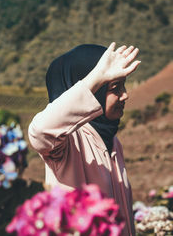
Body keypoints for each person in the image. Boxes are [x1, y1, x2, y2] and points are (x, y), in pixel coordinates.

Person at [28, 42, 141, 235]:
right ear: (94, 90)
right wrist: (96, 78)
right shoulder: (66, 142)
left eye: (124, 85)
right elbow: (39, 132)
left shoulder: (112, 141)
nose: (125, 95)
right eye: (115, 87)